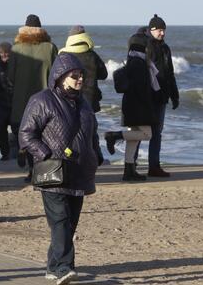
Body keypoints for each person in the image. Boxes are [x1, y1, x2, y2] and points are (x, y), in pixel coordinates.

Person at [19, 53, 99, 285]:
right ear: (61, 77)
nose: (79, 80)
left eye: (81, 75)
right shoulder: (42, 100)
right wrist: (45, 154)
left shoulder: (84, 104)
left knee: (70, 222)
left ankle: (53, 267)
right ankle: (65, 267)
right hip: (53, 171)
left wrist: (96, 154)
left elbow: (92, 133)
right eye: (74, 76)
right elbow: (26, 134)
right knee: (61, 221)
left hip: (80, 172)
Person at [8, 14, 58, 174]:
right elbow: (57, 73)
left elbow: (10, 77)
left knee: (26, 132)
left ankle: (27, 160)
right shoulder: (50, 48)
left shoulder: (16, 49)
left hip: (22, 100)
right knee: (43, 134)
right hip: (44, 99)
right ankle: (38, 168)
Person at [104, 33, 157, 181]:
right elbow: (141, 89)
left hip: (130, 106)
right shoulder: (139, 64)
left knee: (133, 139)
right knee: (147, 134)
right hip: (139, 107)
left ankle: (128, 170)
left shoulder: (132, 61)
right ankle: (114, 136)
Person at [58, 25, 108, 164]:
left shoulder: (63, 55)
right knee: (91, 131)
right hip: (89, 99)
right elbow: (104, 74)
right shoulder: (91, 54)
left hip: (68, 99)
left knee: (69, 131)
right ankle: (94, 158)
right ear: (85, 37)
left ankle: (70, 159)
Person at [143, 15, 179, 177]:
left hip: (162, 96)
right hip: (148, 96)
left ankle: (154, 166)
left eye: (164, 30)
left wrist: (174, 94)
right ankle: (131, 165)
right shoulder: (147, 46)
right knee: (142, 131)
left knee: (157, 133)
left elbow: (170, 72)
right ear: (151, 30)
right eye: (159, 30)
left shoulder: (165, 48)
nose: (162, 33)